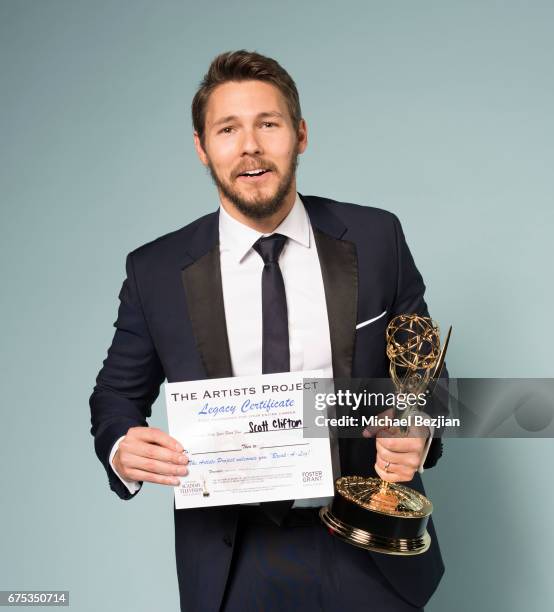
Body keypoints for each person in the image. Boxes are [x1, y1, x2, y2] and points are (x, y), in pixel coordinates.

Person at [90, 50, 445, 612]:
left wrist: (418, 429)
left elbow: (426, 372)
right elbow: (115, 394)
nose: (250, 145)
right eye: (228, 129)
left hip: (367, 545)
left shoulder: (377, 239)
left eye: (268, 124)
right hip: (232, 559)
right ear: (202, 149)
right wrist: (120, 447)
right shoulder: (154, 271)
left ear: (300, 135)